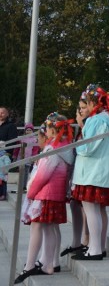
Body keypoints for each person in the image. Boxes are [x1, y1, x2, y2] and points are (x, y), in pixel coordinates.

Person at [14, 116, 73, 283]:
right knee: (48, 229)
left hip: (46, 194)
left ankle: (30, 265)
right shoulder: (64, 147)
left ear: (53, 130)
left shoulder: (53, 149)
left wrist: (31, 193)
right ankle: (47, 263)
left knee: (37, 228)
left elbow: (43, 175)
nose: (45, 133)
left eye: (46, 129)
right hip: (53, 194)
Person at [71, 85, 109, 261]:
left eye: (88, 103)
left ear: (94, 102)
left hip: (91, 172)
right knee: (100, 210)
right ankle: (99, 246)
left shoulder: (96, 120)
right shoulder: (108, 119)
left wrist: (76, 144)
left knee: (91, 209)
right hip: (102, 171)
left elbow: (87, 148)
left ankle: (94, 249)